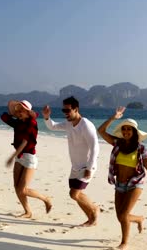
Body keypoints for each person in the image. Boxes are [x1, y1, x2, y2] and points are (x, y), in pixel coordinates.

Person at [98, 106, 147, 250]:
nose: (126, 132)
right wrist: (113, 118)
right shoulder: (117, 143)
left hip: (135, 184)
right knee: (120, 217)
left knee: (123, 215)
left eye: (129, 129)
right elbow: (101, 131)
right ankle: (139, 219)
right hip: (120, 184)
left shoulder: (142, 149)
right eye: (124, 129)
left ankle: (124, 243)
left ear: (134, 132)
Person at [42, 96, 100, 227]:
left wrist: (89, 168)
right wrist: (46, 117)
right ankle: (91, 217)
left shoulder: (86, 125)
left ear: (76, 109)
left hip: (86, 166)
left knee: (74, 193)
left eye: (67, 110)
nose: (65, 113)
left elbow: (95, 147)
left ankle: (94, 211)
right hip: (75, 166)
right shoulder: (69, 124)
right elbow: (53, 127)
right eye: (63, 110)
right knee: (75, 194)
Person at [1, 100, 52, 218]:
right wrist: (14, 113)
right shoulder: (18, 123)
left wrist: (12, 157)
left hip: (29, 158)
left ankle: (46, 199)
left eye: (21, 111)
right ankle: (28, 212)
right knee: (16, 187)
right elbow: (4, 117)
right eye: (17, 111)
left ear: (28, 112)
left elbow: (25, 142)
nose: (19, 113)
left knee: (22, 189)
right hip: (19, 157)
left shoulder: (32, 123)